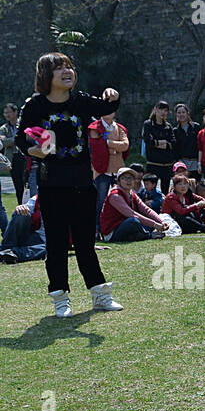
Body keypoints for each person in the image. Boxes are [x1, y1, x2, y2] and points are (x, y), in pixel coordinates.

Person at [16, 52, 124, 316]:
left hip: (83, 183)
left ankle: (99, 293)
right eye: (59, 68)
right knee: (56, 243)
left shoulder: (80, 101)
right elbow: (21, 139)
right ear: (46, 75)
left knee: (86, 242)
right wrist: (34, 152)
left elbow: (106, 107)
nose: (67, 71)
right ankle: (60, 298)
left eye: (69, 67)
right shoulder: (35, 106)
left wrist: (112, 95)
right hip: (52, 184)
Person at [100, 167, 168, 242]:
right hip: (111, 233)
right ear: (118, 181)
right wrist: (155, 224)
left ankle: (140, 235)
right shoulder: (115, 196)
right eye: (124, 178)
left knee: (141, 222)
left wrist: (161, 222)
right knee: (133, 221)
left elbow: (146, 209)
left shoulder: (131, 193)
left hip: (125, 226)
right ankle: (148, 235)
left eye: (130, 178)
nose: (128, 181)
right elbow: (132, 214)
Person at [88, 109, 129, 222]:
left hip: (118, 169)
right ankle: (96, 228)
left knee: (123, 199)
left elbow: (125, 145)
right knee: (99, 202)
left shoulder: (120, 128)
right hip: (101, 170)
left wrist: (108, 143)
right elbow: (97, 148)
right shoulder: (94, 128)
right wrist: (116, 149)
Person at [0, 194, 46, 264]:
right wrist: (21, 208)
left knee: (53, 248)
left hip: (44, 244)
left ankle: (12, 253)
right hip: (32, 235)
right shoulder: (37, 199)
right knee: (22, 213)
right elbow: (24, 209)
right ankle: (7, 249)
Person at [141, 100, 177, 181]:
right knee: (151, 189)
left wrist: (156, 143)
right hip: (153, 163)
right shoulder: (148, 124)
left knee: (165, 191)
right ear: (155, 110)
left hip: (167, 164)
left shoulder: (168, 126)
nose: (163, 112)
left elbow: (173, 143)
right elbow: (148, 141)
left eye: (165, 110)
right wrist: (162, 142)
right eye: (161, 109)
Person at [2, 102, 25, 202]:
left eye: (9, 112)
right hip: (12, 159)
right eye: (5, 113)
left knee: (27, 184)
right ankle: (20, 207)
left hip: (24, 157)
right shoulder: (3, 128)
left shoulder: (23, 124)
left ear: (15, 112)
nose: (7, 115)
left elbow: (27, 138)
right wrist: (17, 139)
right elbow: (3, 142)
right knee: (18, 185)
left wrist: (10, 140)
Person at [173, 103, 201, 173]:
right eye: (179, 113)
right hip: (182, 162)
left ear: (187, 113)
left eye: (183, 112)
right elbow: (175, 148)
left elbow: (200, 144)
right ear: (176, 115)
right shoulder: (175, 130)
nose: (181, 114)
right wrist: (179, 161)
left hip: (196, 161)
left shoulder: (196, 127)